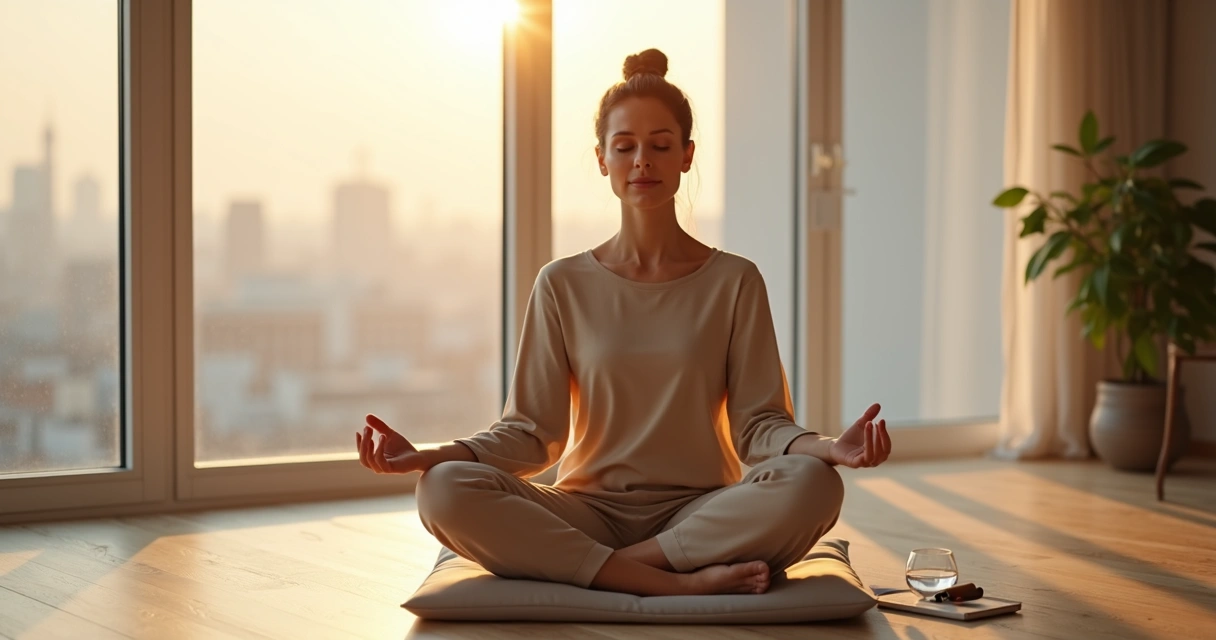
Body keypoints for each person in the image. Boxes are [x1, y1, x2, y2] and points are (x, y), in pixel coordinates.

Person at [355, 48, 891, 598]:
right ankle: (678, 583)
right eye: (625, 147)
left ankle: (612, 570)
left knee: (814, 485)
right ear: (601, 159)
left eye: (660, 146)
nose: (642, 161)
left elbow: (759, 428)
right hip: (586, 511)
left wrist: (830, 448)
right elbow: (531, 435)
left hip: (701, 510)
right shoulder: (561, 283)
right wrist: (430, 456)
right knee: (442, 490)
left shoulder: (735, 281)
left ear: (686, 156)